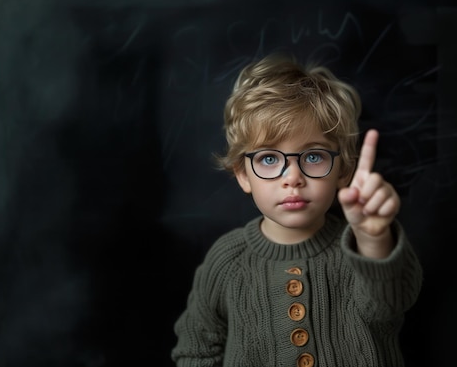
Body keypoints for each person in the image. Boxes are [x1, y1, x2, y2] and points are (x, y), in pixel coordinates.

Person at [171, 54, 423, 367]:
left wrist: (374, 238)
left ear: (343, 171)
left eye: (314, 157)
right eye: (268, 159)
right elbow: (197, 351)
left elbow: (392, 302)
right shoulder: (227, 261)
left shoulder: (360, 249)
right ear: (243, 174)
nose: (292, 178)